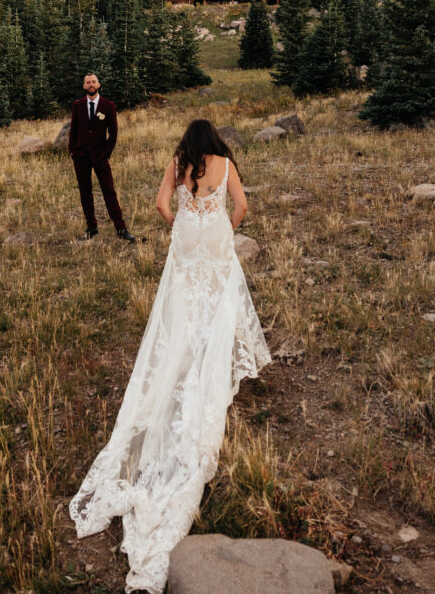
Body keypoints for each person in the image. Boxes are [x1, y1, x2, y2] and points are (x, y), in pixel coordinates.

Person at [69, 118, 271, 594]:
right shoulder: (226, 164)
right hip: (216, 245)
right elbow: (242, 206)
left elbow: (161, 205)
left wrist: (182, 224)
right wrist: (221, 225)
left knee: (179, 316)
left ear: (187, 143)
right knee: (214, 314)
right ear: (216, 141)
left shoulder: (178, 164)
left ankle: (177, 370)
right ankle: (207, 370)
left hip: (185, 247)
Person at [68, 71, 135, 243]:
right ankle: (92, 227)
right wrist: (73, 151)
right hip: (81, 156)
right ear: (84, 86)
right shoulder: (78, 105)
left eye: (93, 82)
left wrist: (106, 153)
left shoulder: (108, 106)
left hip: (100, 156)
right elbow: (73, 130)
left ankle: (121, 228)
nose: (91, 85)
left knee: (109, 191)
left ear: (98, 85)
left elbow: (113, 134)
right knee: (85, 192)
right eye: (87, 82)